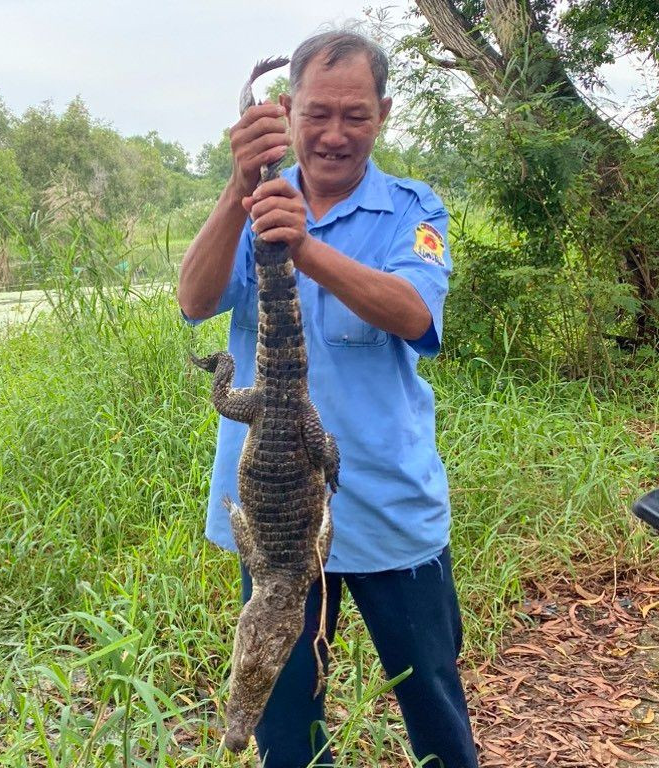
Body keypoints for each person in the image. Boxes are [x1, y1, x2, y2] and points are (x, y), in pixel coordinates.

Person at [177, 29, 479, 768]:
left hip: (385, 507)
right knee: (284, 715)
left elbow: (413, 312)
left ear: (382, 114)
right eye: (317, 114)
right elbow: (193, 300)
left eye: (354, 115)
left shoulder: (413, 209)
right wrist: (241, 186)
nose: (334, 134)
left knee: (431, 696)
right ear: (289, 110)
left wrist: (304, 245)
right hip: (278, 521)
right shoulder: (257, 200)